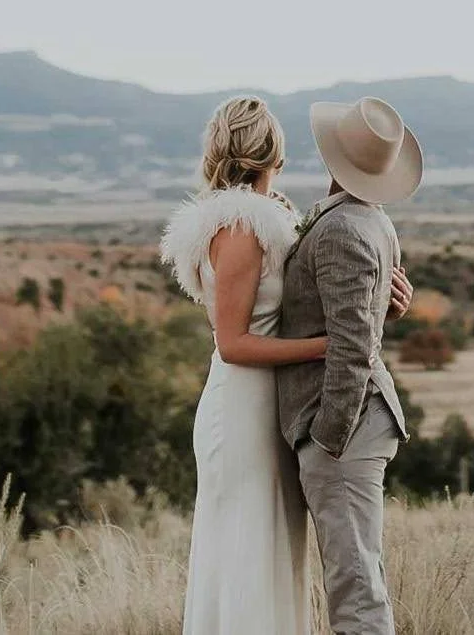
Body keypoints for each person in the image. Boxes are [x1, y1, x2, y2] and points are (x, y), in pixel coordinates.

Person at [160, 96, 413, 635]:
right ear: (275, 151)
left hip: (277, 404)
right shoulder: (238, 227)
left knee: (277, 549)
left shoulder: (283, 215)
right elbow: (232, 344)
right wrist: (335, 344)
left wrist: (378, 304)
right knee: (248, 549)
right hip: (244, 405)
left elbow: (326, 289)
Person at [276, 96, 424, 635]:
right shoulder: (370, 219)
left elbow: (354, 344)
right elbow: (363, 315)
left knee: (354, 586)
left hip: (345, 424)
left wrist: (328, 437)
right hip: (354, 420)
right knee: (357, 574)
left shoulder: (343, 229)